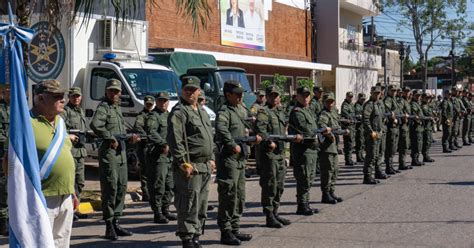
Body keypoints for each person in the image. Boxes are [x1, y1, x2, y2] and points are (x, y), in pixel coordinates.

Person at [167, 76, 215, 248]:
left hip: (204, 166)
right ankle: (187, 238)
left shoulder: (201, 111)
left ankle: (196, 235)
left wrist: (212, 158)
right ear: (182, 90)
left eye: (193, 89)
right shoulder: (180, 112)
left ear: (199, 91)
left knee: (201, 203)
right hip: (190, 165)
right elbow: (175, 139)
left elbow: (210, 137)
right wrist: (182, 162)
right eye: (187, 89)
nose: (190, 92)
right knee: (188, 203)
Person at [90, 79, 139, 240]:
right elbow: (95, 125)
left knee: (121, 187)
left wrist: (130, 138)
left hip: (121, 153)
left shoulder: (117, 107)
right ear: (106, 92)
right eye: (111, 91)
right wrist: (109, 137)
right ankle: (109, 225)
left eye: (117, 91)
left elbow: (121, 131)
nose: (114, 94)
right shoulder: (104, 108)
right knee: (110, 188)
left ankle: (116, 222)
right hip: (110, 154)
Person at [31, 80, 77, 247]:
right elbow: (10, 163)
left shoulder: (60, 122)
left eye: (62, 96)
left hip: (65, 195)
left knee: (62, 242)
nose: (63, 100)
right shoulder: (26, 123)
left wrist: (72, 191)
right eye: (57, 96)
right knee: (41, 243)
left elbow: (65, 154)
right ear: (41, 99)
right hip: (42, 197)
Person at [215, 80, 260, 245]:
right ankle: (225, 232)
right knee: (228, 195)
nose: (241, 96)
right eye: (237, 94)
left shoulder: (241, 109)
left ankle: (235, 228)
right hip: (229, 159)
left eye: (241, 93)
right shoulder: (224, 111)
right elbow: (221, 129)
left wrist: (253, 139)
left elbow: (248, 125)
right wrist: (231, 144)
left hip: (241, 159)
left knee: (239, 196)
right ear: (228, 95)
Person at [255, 85, 294, 228]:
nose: (275, 98)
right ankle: (269, 215)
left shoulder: (280, 112)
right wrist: (268, 140)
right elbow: (260, 130)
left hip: (280, 152)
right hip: (269, 154)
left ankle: (276, 212)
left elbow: (284, 129)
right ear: (267, 97)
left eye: (277, 95)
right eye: (272, 95)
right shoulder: (263, 112)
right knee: (270, 185)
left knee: (280, 185)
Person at [145, 92, 177, 224]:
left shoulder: (169, 116)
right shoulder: (154, 116)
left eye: (165, 101)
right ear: (156, 102)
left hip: (170, 157)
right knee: (159, 185)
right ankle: (157, 212)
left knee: (169, 185)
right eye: (160, 101)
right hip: (158, 155)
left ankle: (166, 209)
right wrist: (162, 143)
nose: (163, 103)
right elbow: (151, 132)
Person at [289, 86, 320, 215]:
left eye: (308, 96)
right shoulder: (297, 112)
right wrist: (319, 132)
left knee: (310, 177)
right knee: (304, 178)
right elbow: (306, 130)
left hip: (311, 149)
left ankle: (306, 203)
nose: (306, 98)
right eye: (303, 96)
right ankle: (301, 205)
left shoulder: (308, 110)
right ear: (298, 97)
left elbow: (315, 126)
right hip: (303, 150)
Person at [59, 87, 88, 220]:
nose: (76, 98)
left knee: (80, 182)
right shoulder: (65, 112)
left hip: (80, 152)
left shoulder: (80, 111)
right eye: (73, 96)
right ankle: (71, 209)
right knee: (71, 183)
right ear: (69, 97)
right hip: (70, 152)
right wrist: (69, 135)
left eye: (78, 96)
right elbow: (60, 129)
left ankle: (77, 207)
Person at [319, 92, 344, 203]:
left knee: (335, 170)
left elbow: (337, 126)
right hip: (327, 147)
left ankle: (331, 191)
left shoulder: (333, 113)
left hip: (334, 146)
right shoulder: (324, 114)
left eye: (331, 102)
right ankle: (325, 194)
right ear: (323, 102)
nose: (330, 104)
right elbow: (322, 126)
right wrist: (329, 134)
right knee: (327, 171)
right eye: (328, 102)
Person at [133, 95, 156, 202]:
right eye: (147, 104)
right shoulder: (142, 115)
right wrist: (146, 136)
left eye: (151, 104)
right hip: (144, 146)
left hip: (154, 146)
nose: (149, 106)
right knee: (145, 170)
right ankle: (146, 193)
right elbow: (137, 126)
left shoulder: (156, 114)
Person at [362, 86, 384, 184]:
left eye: (378, 93)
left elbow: (381, 118)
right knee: (371, 155)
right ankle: (367, 176)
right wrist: (371, 132)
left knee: (378, 154)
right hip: (372, 134)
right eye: (375, 93)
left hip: (378, 133)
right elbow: (366, 119)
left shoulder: (378, 104)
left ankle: (377, 172)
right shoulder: (369, 105)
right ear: (371, 93)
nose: (377, 95)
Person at [383, 85, 400, 175]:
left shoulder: (394, 99)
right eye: (392, 91)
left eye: (395, 91)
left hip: (395, 127)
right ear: (388, 91)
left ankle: (391, 166)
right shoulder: (388, 100)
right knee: (390, 147)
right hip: (391, 126)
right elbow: (388, 111)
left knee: (393, 148)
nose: (394, 92)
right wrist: (393, 118)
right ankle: (388, 167)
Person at [0, 85, 10, 236]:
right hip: (3, 153)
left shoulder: (18, 108)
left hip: (14, 154)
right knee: (3, 189)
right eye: (8, 91)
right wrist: (10, 142)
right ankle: (2, 223)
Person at [398, 87, 413, 170]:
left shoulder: (407, 102)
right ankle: (402, 163)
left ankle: (403, 162)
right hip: (403, 125)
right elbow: (399, 111)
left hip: (407, 125)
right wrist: (403, 116)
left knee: (406, 144)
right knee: (403, 144)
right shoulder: (401, 101)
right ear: (402, 93)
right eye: (405, 92)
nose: (407, 93)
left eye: (408, 92)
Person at [409, 90, 425, 167]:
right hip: (416, 127)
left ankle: (416, 159)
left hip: (419, 127)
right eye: (417, 96)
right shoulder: (413, 104)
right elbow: (415, 115)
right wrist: (419, 120)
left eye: (419, 96)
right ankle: (414, 159)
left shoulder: (417, 104)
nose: (418, 97)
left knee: (419, 143)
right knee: (416, 143)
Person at [340, 91, 356, 166]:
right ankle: (348, 160)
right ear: (346, 96)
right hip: (347, 126)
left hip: (352, 126)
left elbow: (354, 113)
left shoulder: (351, 104)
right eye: (349, 97)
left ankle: (350, 158)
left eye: (351, 97)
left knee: (351, 143)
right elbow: (345, 113)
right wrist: (351, 118)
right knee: (348, 143)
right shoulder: (345, 104)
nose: (350, 98)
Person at [421, 93, 435, 163]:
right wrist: (431, 117)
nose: (428, 99)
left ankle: (427, 155)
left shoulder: (428, 106)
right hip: (425, 126)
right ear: (423, 98)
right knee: (426, 142)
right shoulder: (423, 106)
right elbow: (426, 114)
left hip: (429, 126)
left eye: (429, 98)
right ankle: (425, 156)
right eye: (426, 98)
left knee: (429, 141)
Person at [354, 93, 366, 163]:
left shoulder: (363, 105)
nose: (363, 101)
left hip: (362, 126)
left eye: (364, 99)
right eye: (362, 99)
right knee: (359, 142)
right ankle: (359, 157)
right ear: (358, 98)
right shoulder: (357, 105)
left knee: (362, 142)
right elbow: (358, 114)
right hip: (358, 126)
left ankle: (361, 156)